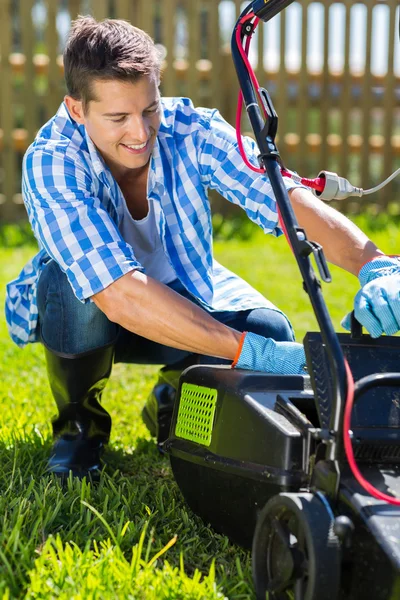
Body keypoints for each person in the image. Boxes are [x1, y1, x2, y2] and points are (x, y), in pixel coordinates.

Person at [5, 17, 400, 479]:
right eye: (117, 118)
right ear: (77, 109)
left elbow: (280, 196)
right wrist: (244, 351)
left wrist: (374, 264)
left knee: (270, 329)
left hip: (183, 294)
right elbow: (118, 293)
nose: (141, 133)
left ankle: (174, 396)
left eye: (149, 109)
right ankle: (80, 430)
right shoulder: (52, 160)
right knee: (73, 289)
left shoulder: (189, 129)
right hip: (93, 312)